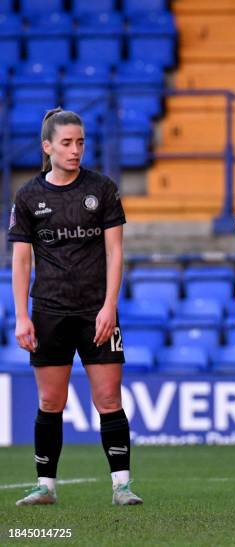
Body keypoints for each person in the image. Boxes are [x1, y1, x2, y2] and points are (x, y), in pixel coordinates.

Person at [9, 108, 142, 506]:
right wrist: (21, 316)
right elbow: (20, 260)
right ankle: (45, 486)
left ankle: (122, 486)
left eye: (80, 142)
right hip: (49, 311)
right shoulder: (29, 195)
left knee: (108, 399)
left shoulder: (101, 188)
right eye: (66, 143)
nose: (75, 150)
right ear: (47, 146)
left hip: (95, 312)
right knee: (50, 402)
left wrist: (109, 306)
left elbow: (115, 252)